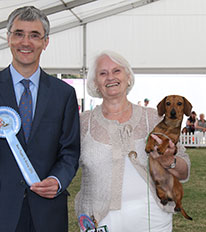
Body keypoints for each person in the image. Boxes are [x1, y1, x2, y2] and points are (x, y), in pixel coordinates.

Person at [75, 50, 191, 232]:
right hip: (99, 219)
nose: (110, 77)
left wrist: (171, 160)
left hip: (153, 219)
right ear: (95, 83)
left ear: (128, 77)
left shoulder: (153, 117)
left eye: (117, 71)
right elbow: (64, 162)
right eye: (103, 73)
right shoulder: (82, 122)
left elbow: (184, 171)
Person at [0, 6, 80, 232]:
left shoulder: (64, 94)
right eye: (19, 33)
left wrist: (57, 180)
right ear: (8, 38)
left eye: (34, 35)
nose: (26, 42)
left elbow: (70, 151)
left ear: (45, 42)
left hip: (48, 212)